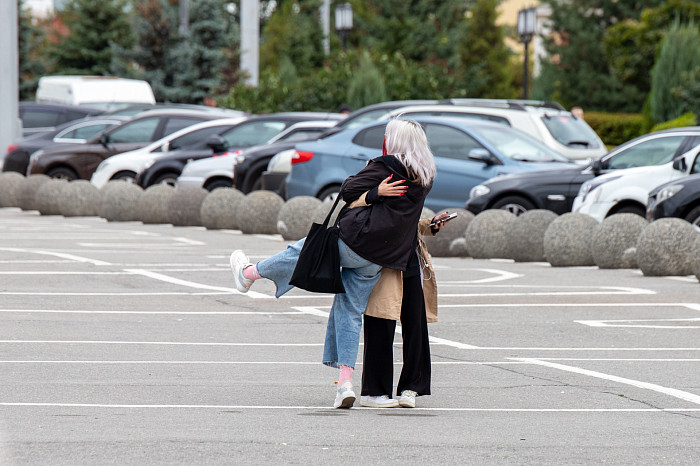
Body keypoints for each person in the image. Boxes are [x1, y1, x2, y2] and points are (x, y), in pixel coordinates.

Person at [229, 118, 437, 409]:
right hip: (379, 260)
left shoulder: (387, 165)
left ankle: (248, 272)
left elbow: (348, 190)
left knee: (301, 252)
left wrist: (374, 189)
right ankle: (345, 384)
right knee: (348, 310)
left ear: (396, 141)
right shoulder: (424, 175)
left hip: (356, 242)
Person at [359, 217, 443, 408]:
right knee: (380, 321)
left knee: (416, 325)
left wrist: (429, 225)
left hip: (409, 260)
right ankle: (375, 391)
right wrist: (375, 193)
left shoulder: (414, 188)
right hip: (382, 262)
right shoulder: (375, 186)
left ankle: (411, 386)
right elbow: (354, 202)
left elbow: (407, 217)